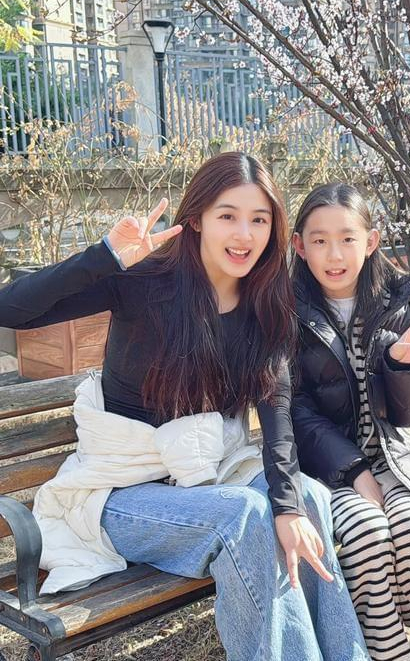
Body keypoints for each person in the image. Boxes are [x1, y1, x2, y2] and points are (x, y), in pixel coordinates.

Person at [0, 154, 370, 661]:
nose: (244, 234)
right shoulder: (143, 280)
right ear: (196, 219)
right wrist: (104, 256)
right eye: (227, 216)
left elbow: (277, 417)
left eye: (259, 219)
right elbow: (10, 310)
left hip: (205, 480)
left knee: (309, 499)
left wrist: (287, 506)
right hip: (118, 494)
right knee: (244, 515)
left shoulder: (266, 303)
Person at [290, 182, 410, 661]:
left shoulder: (400, 304)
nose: (334, 254)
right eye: (319, 240)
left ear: (371, 241)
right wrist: (355, 472)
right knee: (367, 536)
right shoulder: (284, 312)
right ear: (299, 245)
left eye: (347, 238)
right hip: (325, 471)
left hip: (394, 460)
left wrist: (405, 367)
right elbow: (294, 409)